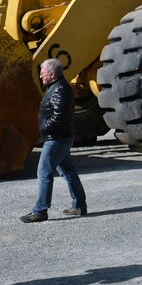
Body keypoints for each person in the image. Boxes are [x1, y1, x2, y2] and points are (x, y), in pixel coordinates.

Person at [20, 59, 87, 222]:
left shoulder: (59, 90)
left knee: (44, 172)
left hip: (56, 139)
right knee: (68, 171)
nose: (41, 76)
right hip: (61, 137)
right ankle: (79, 205)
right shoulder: (58, 87)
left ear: (51, 74)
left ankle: (40, 211)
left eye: (42, 73)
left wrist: (44, 129)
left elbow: (59, 116)